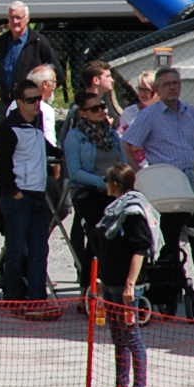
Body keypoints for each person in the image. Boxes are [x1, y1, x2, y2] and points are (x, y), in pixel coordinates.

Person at [121, 67, 194, 302]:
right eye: (167, 84)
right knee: (168, 236)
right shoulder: (150, 115)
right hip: (165, 183)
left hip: (188, 181)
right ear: (157, 89)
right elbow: (128, 144)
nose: (173, 87)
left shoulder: (191, 113)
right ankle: (170, 286)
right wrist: (140, 174)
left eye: (176, 83)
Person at [0, 79, 60, 311]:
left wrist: (61, 154)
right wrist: (14, 192)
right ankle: (14, 296)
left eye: (39, 99)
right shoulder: (9, 128)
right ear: (19, 102)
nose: (36, 104)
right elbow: (0, 167)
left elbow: (45, 147)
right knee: (17, 248)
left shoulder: (37, 125)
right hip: (18, 197)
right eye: (31, 100)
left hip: (38, 195)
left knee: (39, 249)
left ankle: (37, 297)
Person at [95, 164, 157, 387]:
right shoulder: (113, 209)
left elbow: (140, 249)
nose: (105, 184)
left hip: (127, 286)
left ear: (116, 184)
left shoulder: (132, 212)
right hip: (110, 282)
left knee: (132, 337)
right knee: (117, 337)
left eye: (107, 180)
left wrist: (130, 283)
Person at [63, 84, 120, 287]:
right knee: (98, 232)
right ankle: (88, 285)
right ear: (83, 113)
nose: (102, 111)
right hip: (87, 191)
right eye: (95, 109)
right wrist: (102, 182)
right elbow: (75, 172)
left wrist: (123, 182)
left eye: (103, 106)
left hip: (114, 190)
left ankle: (118, 280)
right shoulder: (75, 137)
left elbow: (122, 161)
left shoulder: (112, 134)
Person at [0, 0, 58, 108]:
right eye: (11, 17)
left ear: (27, 19)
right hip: (6, 102)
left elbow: (57, 71)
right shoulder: (3, 40)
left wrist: (43, 95)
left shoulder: (38, 41)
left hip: (30, 104)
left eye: (18, 17)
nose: (15, 21)